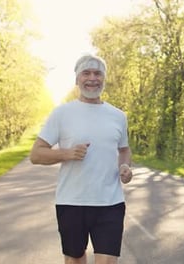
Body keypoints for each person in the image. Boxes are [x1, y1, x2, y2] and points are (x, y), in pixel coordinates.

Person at [30, 54, 133, 264]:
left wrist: (125, 166)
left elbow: (124, 149)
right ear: (77, 79)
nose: (92, 78)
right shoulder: (62, 113)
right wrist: (66, 153)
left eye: (98, 73)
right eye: (86, 73)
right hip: (72, 202)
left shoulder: (118, 116)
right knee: (75, 259)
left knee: (107, 261)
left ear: (104, 79)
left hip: (110, 202)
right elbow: (36, 154)